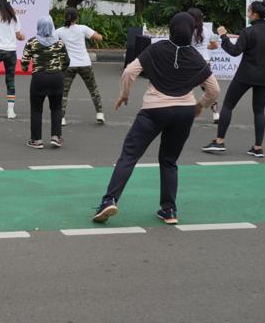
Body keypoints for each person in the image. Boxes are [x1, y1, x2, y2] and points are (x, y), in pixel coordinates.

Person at [93, 13, 220, 225]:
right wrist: (200, 105)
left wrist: (125, 94)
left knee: (129, 155)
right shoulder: (196, 57)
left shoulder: (157, 48)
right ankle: (169, 210)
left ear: (170, 29)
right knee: (169, 161)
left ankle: (109, 200)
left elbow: (129, 71)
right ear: (192, 32)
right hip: (184, 113)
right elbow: (214, 90)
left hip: (155, 110)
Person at [202, 0, 265, 158]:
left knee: (228, 105)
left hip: (245, 75)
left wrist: (223, 36)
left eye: (249, 11)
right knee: (259, 111)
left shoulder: (248, 31)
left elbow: (234, 51)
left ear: (255, 14)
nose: (247, 14)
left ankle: (219, 141)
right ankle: (258, 147)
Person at [20, 17, 69, 148]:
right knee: (56, 108)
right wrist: (60, 70)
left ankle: (36, 140)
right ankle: (56, 137)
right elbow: (66, 61)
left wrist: (25, 68)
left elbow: (24, 62)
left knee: (36, 110)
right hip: (56, 77)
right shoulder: (59, 42)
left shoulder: (32, 42)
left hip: (39, 78)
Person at [56, 7, 104, 126]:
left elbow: (50, 42)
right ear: (77, 18)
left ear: (64, 17)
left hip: (68, 65)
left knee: (63, 91)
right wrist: (97, 34)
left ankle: (61, 118)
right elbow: (99, 38)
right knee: (93, 89)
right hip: (84, 63)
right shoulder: (83, 28)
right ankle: (99, 113)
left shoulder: (59, 31)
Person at [186, 8, 220, 123]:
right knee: (209, 89)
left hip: (190, 63)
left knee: (185, 88)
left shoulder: (187, 31)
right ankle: (215, 113)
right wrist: (205, 47)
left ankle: (186, 111)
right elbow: (215, 45)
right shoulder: (207, 30)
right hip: (205, 63)